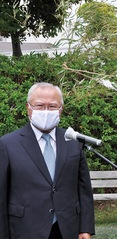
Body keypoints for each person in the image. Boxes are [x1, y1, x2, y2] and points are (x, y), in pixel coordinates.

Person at [0, 82, 95, 239]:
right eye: (39, 105)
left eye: (52, 106)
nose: (46, 111)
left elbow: (84, 190)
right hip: (25, 229)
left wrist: (85, 228)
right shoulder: (7, 144)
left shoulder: (73, 142)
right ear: (28, 108)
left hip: (67, 228)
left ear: (60, 110)